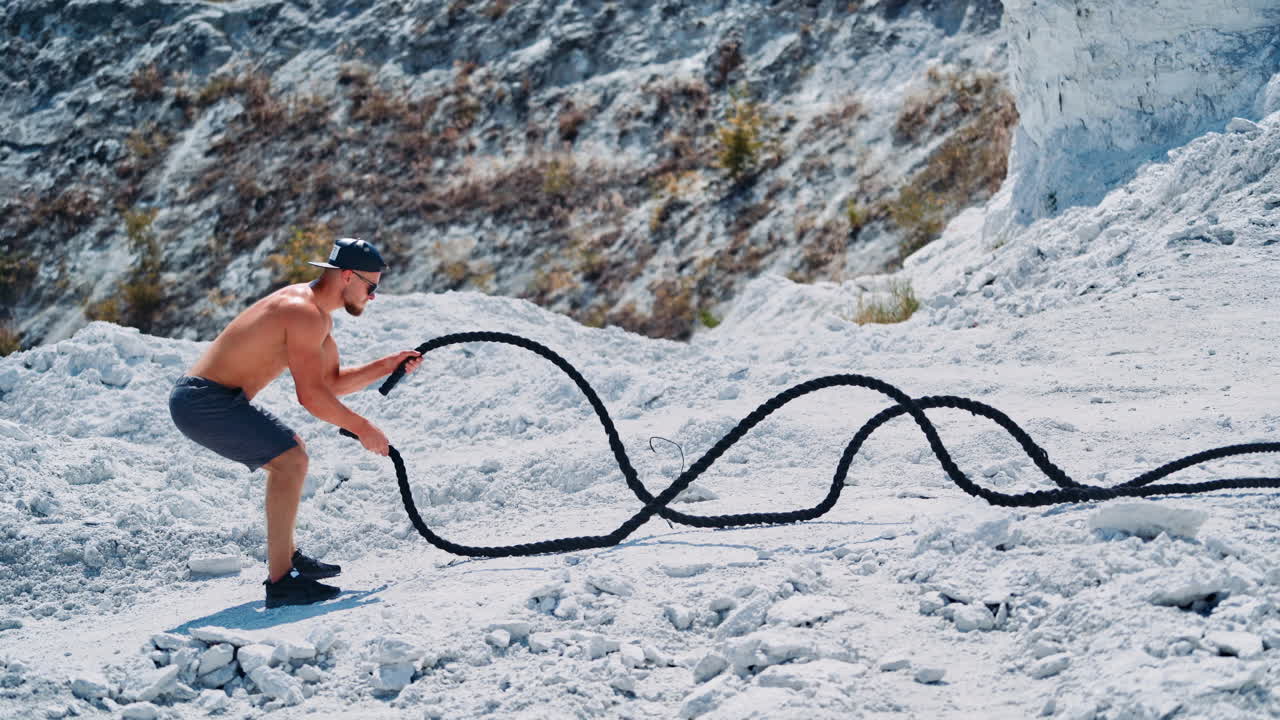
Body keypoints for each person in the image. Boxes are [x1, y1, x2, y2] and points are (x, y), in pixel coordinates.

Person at [168, 237, 423, 608]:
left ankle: (287, 561)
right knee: (290, 459)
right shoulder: (302, 312)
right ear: (348, 276)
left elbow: (332, 383)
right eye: (371, 286)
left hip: (215, 399)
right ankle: (282, 581)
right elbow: (312, 398)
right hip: (202, 401)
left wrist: (388, 365)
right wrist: (364, 428)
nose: (372, 297)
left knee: (292, 454)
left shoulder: (315, 315)